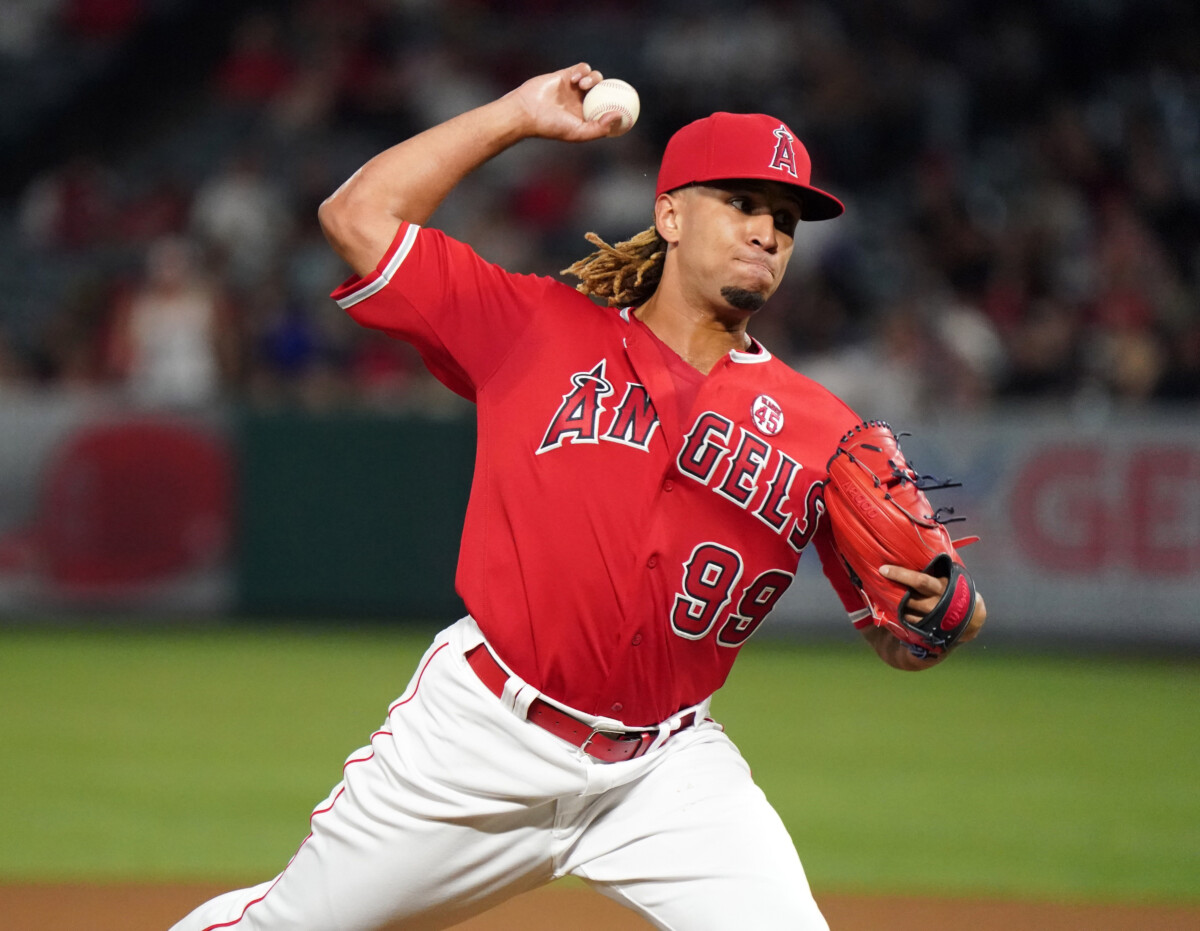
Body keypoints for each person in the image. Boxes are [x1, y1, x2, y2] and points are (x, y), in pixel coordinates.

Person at [172, 63, 986, 931]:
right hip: (482, 738)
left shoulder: (829, 431)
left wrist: (948, 618)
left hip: (668, 771)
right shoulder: (537, 328)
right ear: (669, 214)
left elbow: (908, 633)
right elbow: (355, 216)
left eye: (783, 220)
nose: (767, 233)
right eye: (742, 204)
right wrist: (516, 116)